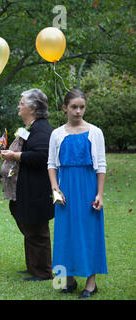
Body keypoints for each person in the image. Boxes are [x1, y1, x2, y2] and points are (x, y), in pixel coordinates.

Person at [48, 89, 107, 299]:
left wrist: (99, 194)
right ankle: (67, 279)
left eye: (82, 107)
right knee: (65, 234)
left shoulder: (95, 132)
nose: (78, 111)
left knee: (89, 233)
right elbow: (52, 165)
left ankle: (91, 283)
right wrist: (55, 188)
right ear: (65, 108)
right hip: (65, 190)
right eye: (74, 107)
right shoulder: (56, 134)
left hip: (88, 189)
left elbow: (100, 166)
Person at [1, 88, 54, 280]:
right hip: (24, 188)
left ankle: (43, 271)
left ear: (32, 108)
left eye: (22, 103)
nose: (19, 106)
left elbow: (42, 156)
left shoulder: (41, 129)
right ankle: (33, 266)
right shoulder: (30, 128)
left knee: (37, 230)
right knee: (28, 226)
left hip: (37, 189)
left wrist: (15, 155)